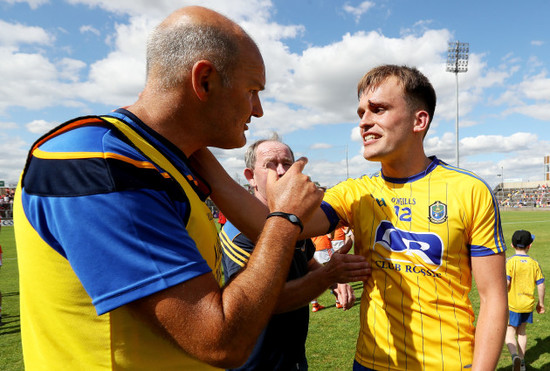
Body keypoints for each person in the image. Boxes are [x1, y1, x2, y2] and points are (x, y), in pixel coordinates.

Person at [13, 6, 327, 370]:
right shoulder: (97, 162)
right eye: (252, 90)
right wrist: (285, 217)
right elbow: (221, 341)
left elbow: (261, 223)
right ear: (204, 80)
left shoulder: (170, 157)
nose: (257, 110)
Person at [191, 64, 508, 371]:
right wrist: (196, 150)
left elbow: (493, 298)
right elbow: (268, 226)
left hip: (449, 364)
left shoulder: (471, 191)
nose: (364, 122)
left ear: (419, 120)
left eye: (378, 109)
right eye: (361, 113)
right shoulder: (355, 193)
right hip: (370, 362)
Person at [220, 136, 369, 370]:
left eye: (287, 164)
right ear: (250, 178)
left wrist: (333, 283)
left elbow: (308, 261)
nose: (281, 171)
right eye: (270, 164)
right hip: (256, 362)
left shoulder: (294, 222)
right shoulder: (239, 232)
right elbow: (259, 301)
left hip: (294, 357)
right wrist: (328, 276)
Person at [505, 230, 545, 371]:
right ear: (530, 246)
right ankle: (522, 362)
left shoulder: (509, 262)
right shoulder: (534, 263)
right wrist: (541, 303)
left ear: (511, 245)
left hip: (512, 305)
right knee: (522, 332)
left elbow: (506, 283)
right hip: (527, 305)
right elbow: (540, 284)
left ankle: (514, 356)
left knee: (510, 333)